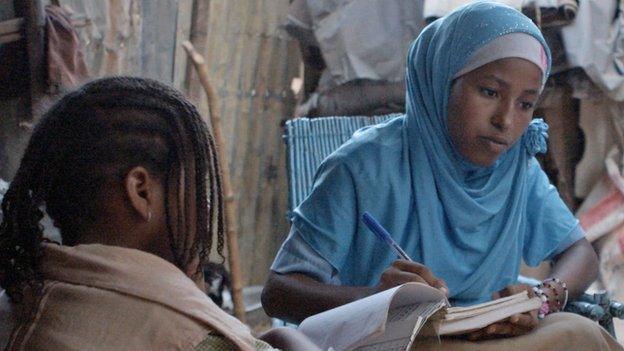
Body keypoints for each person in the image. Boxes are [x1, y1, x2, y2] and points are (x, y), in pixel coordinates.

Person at [262, 2, 623, 349]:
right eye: (490, 91)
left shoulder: (515, 168)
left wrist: (544, 298)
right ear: (440, 79)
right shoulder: (361, 167)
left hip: (493, 334)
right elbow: (278, 292)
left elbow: (580, 251)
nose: (506, 120)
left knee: (580, 333)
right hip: (396, 339)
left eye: (526, 103)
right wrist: (378, 301)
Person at [0, 77, 319, 351]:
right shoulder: (190, 336)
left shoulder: (20, 300)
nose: (205, 208)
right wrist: (296, 342)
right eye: (195, 187)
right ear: (140, 191)